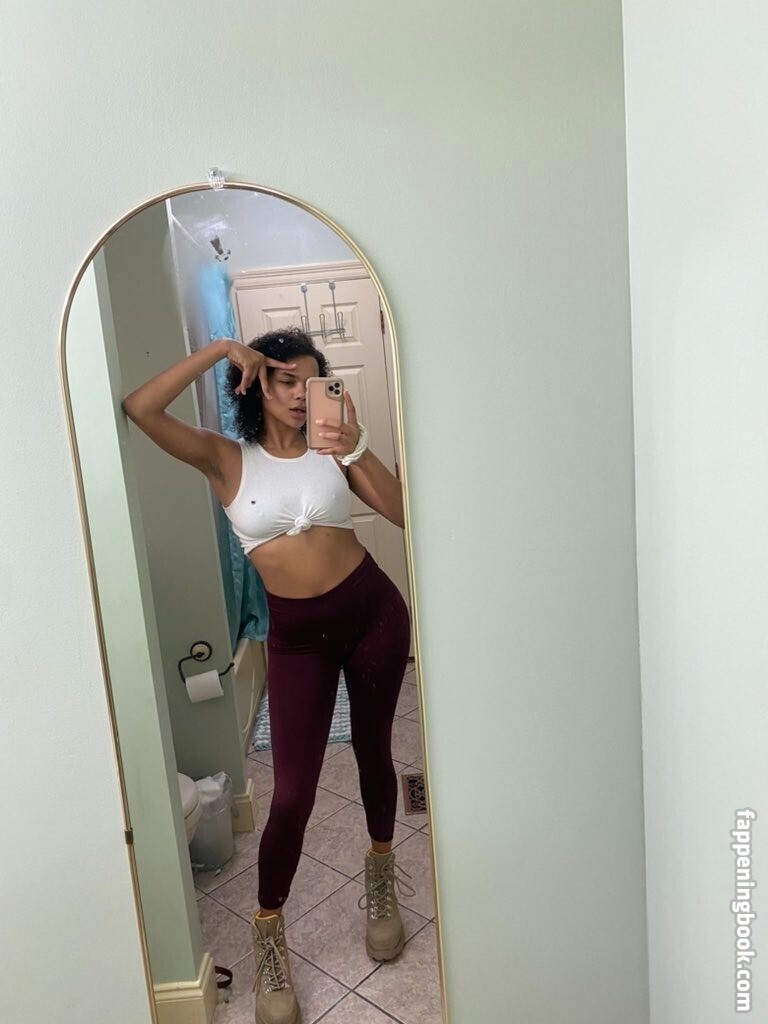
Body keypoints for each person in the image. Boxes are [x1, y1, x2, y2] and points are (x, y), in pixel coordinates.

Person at [122, 326, 416, 1024]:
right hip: (297, 640)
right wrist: (221, 349)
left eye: (311, 381)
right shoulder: (226, 458)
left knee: (375, 753)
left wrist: (355, 445)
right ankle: (268, 933)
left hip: (373, 614)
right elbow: (141, 408)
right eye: (286, 379)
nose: (299, 394)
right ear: (256, 383)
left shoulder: (334, 449)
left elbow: (408, 515)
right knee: (292, 795)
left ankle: (380, 879)